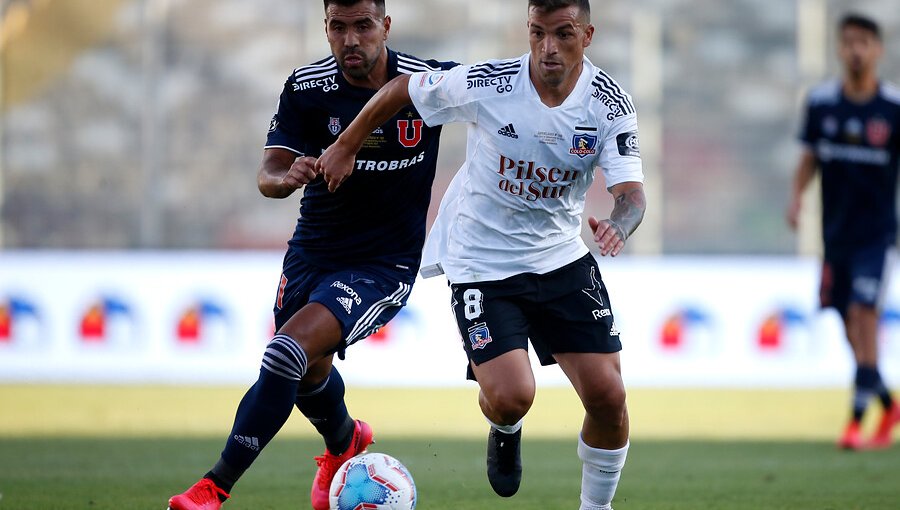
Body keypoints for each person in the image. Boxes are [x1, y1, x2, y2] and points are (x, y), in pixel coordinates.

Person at [318, 1, 645, 507]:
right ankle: (505, 425)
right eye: (538, 33)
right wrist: (347, 144)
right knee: (514, 395)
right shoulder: (490, 84)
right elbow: (405, 87)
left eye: (563, 34)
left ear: (588, 35)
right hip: (482, 262)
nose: (548, 48)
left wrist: (619, 227)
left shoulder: (608, 103)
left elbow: (631, 195)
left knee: (609, 397)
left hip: (560, 257)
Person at [166, 1, 456, 509]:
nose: (350, 40)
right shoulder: (307, 87)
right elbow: (268, 174)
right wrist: (286, 178)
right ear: (325, 27)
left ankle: (212, 488)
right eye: (337, 27)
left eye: (363, 26)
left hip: (382, 265)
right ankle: (344, 442)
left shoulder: (429, 81)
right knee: (306, 375)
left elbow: (502, 91)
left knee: (286, 352)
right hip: (311, 253)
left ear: (385, 26)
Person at [788, 13, 900, 450]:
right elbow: (808, 159)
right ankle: (888, 402)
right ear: (839, 47)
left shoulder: (892, 109)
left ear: (877, 50)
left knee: (863, 313)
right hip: (835, 237)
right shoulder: (821, 104)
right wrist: (796, 198)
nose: (856, 50)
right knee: (845, 319)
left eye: (864, 43)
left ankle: (855, 421)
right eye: (849, 41)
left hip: (877, 235)